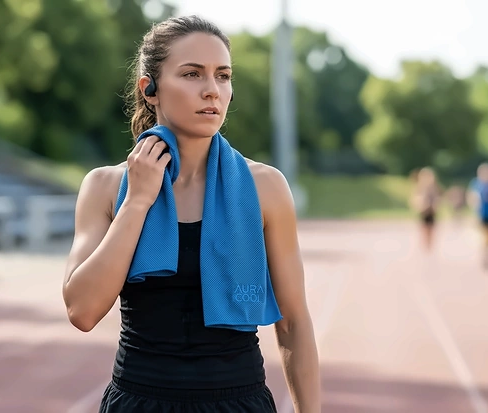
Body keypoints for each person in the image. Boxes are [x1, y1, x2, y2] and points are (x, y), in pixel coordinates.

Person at [62, 15, 320, 413]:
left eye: (223, 76)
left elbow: (293, 323)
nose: (212, 91)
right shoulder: (105, 188)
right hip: (139, 401)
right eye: (192, 74)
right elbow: (82, 310)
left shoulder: (265, 187)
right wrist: (137, 202)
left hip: (239, 402)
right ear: (150, 89)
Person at [409, 167, 442, 252]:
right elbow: (414, 199)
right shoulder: (419, 188)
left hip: (431, 211)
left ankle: (429, 244)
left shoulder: (434, 188)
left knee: (431, 228)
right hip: (423, 211)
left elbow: (438, 198)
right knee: (424, 228)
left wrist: (435, 205)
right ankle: (425, 244)